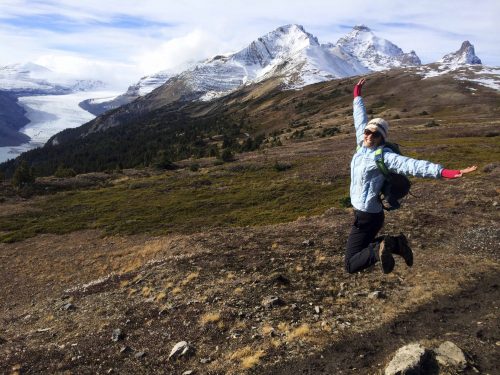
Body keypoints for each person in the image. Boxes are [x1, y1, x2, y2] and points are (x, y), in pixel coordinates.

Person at [345, 78, 477, 274]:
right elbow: (359, 118)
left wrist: (446, 172)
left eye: (376, 134)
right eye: (367, 132)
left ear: (382, 138)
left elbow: (413, 166)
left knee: (350, 264)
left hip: (367, 216)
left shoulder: (384, 157)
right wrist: (357, 95)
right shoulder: (361, 143)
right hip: (368, 214)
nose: (369, 136)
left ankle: (385, 246)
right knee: (360, 249)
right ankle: (396, 244)